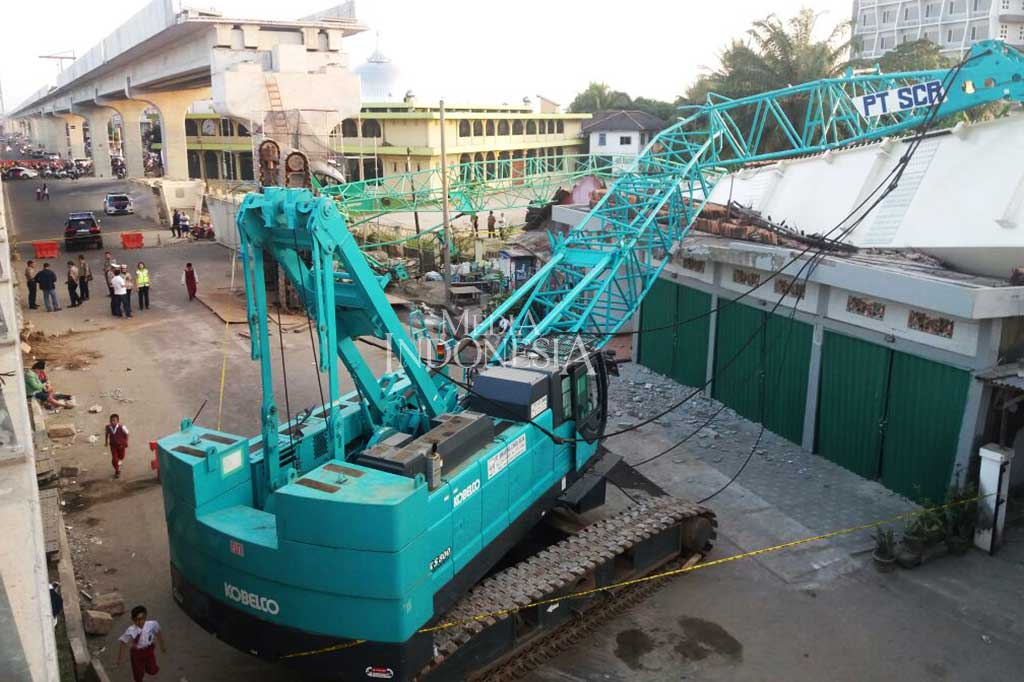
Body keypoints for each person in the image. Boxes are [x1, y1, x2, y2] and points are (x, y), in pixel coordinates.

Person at [116, 605, 166, 681]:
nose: (140, 622)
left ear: (145, 617)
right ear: (133, 619)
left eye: (142, 618)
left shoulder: (152, 624)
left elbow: (158, 633)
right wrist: (120, 659)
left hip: (149, 650)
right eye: (137, 619)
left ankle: (147, 668)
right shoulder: (131, 630)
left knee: (152, 670)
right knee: (138, 672)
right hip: (137, 652)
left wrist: (162, 645)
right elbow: (123, 642)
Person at [105, 413, 130, 479]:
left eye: (114, 420)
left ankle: (118, 461)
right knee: (115, 459)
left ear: (117, 421)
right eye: (111, 420)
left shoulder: (122, 427)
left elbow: (127, 434)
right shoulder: (108, 427)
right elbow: (107, 434)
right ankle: (117, 470)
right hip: (113, 446)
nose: (112, 422)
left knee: (122, 456)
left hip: (121, 445)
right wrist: (106, 442)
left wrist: (126, 442)